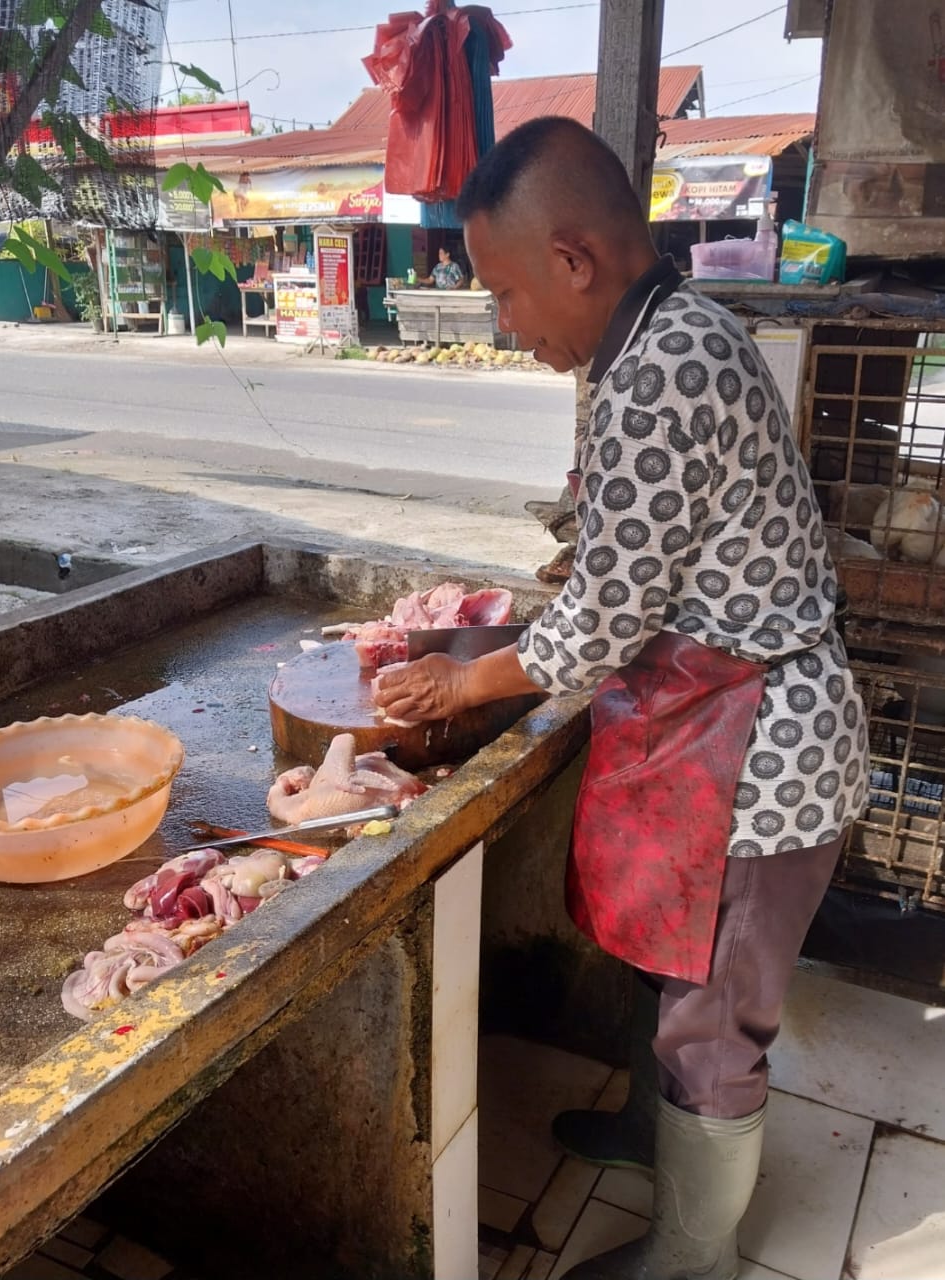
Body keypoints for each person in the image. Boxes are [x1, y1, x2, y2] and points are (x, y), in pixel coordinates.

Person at [371, 116, 869, 1280]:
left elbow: (599, 625)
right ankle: (658, 1139)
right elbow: (639, 551)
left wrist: (461, 675)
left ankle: (698, 1254)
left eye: (502, 294)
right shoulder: (655, 341)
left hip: (762, 759)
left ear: (575, 260)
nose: (505, 323)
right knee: (673, 969)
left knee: (712, 1016)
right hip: (715, 723)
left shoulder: (664, 367)